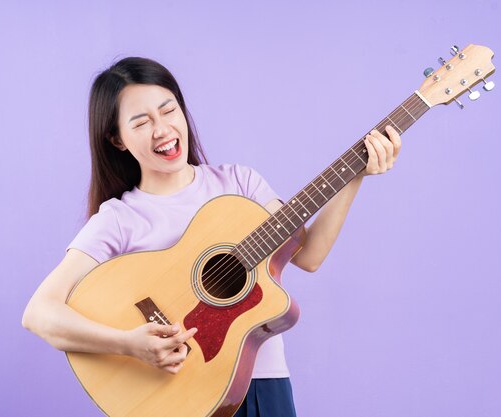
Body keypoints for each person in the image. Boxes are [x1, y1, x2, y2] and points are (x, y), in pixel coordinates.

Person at [22, 57, 401, 417]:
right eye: (141, 122)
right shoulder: (120, 219)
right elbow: (39, 313)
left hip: (264, 387)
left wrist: (356, 175)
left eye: (169, 110)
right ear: (117, 139)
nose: (162, 129)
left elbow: (308, 256)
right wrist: (131, 345)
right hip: (180, 397)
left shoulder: (239, 184)